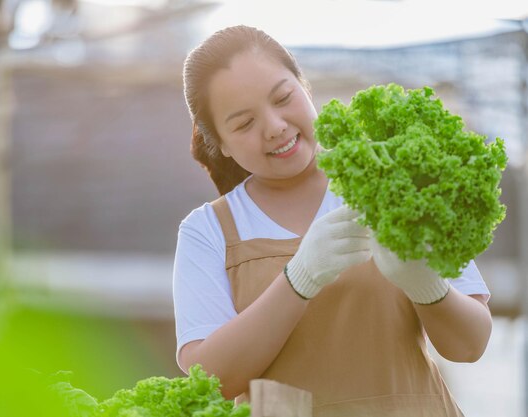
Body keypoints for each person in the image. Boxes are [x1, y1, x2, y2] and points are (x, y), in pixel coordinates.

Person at [173, 25, 492, 416]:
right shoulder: (207, 231)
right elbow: (213, 380)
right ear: (219, 141)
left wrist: (426, 286)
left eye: (283, 97)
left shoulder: (392, 178)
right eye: (244, 124)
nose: (274, 127)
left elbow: (471, 345)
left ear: (305, 88)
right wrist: (299, 279)